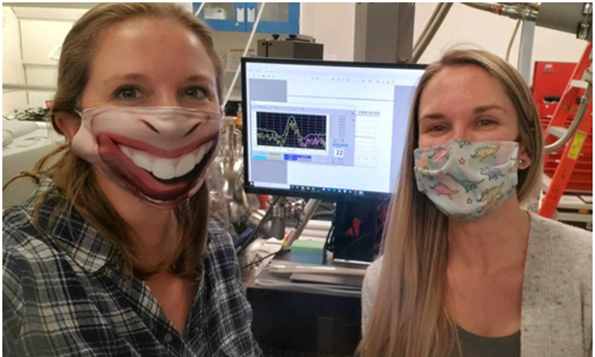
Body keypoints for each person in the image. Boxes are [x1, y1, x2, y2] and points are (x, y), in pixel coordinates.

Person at [3, 4, 262, 356]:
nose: (170, 121)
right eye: (129, 92)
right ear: (71, 124)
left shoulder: (214, 246)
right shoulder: (15, 273)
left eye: (194, 91)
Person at [358, 49, 592, 357]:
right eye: (437, 127)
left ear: (525, 148)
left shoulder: (584, 270)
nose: (459, 145)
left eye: (484, 122)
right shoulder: (387, 283)